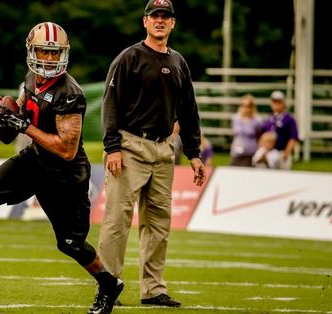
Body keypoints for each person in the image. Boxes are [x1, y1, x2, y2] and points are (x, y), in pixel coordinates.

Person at [0, 22, 123, 314]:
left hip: (65, 175)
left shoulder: (70, 92)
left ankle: (109, 284)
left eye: (53, 52)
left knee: (71, 244)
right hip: (34, 161)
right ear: (32, 52)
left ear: (63, 54)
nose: (48, 58)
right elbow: (22, 109)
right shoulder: (31, 79)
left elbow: (66, 148)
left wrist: (24, 126)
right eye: (43, 51)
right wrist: (6, 113)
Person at [99, 0, 206, 308]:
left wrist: (194, 152)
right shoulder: (129, 58)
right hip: (130, 146)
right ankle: (108, 285)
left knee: (159, 224)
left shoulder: (178, 62)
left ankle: (153, 290)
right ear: (145, 21)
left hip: (163, 150)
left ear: (173, 23)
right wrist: (112, 147)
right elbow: (110, 104)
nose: (160, 21)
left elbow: (188, 110)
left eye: (166, 16)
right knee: (117, 220)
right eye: (155, 16)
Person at [262, 90, 299, 170]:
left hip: (282, 151)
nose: (276, 104)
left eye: (279, 102)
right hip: (269, 151)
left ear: (283, 103)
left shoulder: (289, 119)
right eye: (274, 102)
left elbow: (293, 137)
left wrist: (287, 152)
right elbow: (263, 135)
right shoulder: (268, 118)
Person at [229, 94, 262, 166]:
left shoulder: (257, 120)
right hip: (236, 152)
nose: (246, 108)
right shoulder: (236, 118)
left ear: (252, 107)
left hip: (250, 153)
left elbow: (259, 136)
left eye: (248, 106)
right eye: (243, 105)